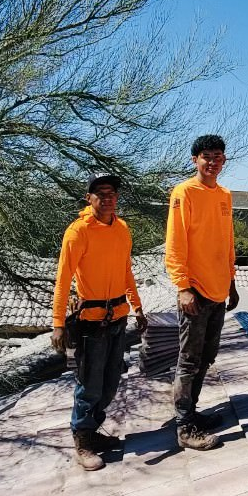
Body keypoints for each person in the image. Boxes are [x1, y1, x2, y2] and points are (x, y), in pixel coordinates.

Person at [51, 175, 147, 471]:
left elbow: (126, 271)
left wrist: (138, 307)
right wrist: (57, 323)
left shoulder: (121, 229)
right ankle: (82, 440)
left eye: (112, 193)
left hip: (118, 317)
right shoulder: (78, 232)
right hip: (91, 322)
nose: (107, 197)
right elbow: (64, 279)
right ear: (88, 197)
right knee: (90, 385)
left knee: (110, 384)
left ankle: (92, 432)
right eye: (100, 193)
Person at [165, 134, 241, 451]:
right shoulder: (184, 192)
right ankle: (184, 426)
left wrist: (232, 282)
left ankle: (192, 413)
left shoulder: (224, 195)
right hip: (194, 291)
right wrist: (182, 286)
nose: (213, 162)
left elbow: (226, 242)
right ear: (195, 160)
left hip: (218, 291)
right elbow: (175, 243)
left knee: (206, 358)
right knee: (189, 360)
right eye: (207, 156)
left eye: (218, 157)